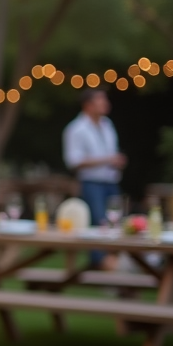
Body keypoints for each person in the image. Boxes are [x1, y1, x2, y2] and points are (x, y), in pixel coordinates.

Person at [63, 87, 125, 242]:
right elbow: (73, 161)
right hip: (91, 184)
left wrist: (117, 160)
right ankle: (100, 260)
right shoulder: (76, 129)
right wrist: (107, 159)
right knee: (99, 224)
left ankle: (114, 259)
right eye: (101, 99)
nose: (106, 103)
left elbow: (111, 152)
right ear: (88, 105)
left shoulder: (107, 125)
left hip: (111, 181)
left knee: (116, 224)